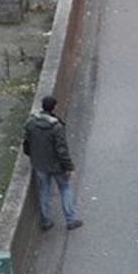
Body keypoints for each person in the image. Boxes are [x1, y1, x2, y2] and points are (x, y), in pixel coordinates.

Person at [23, 95, 83, 231]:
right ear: (54, 107)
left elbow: (26, 142)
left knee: (44, 191)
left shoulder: (31, 123)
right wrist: (69, 166)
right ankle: (71, 219)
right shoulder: (56, 127)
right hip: (57, 165)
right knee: (65, 188)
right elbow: (62, 150)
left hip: (39, 164)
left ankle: (46, 221)